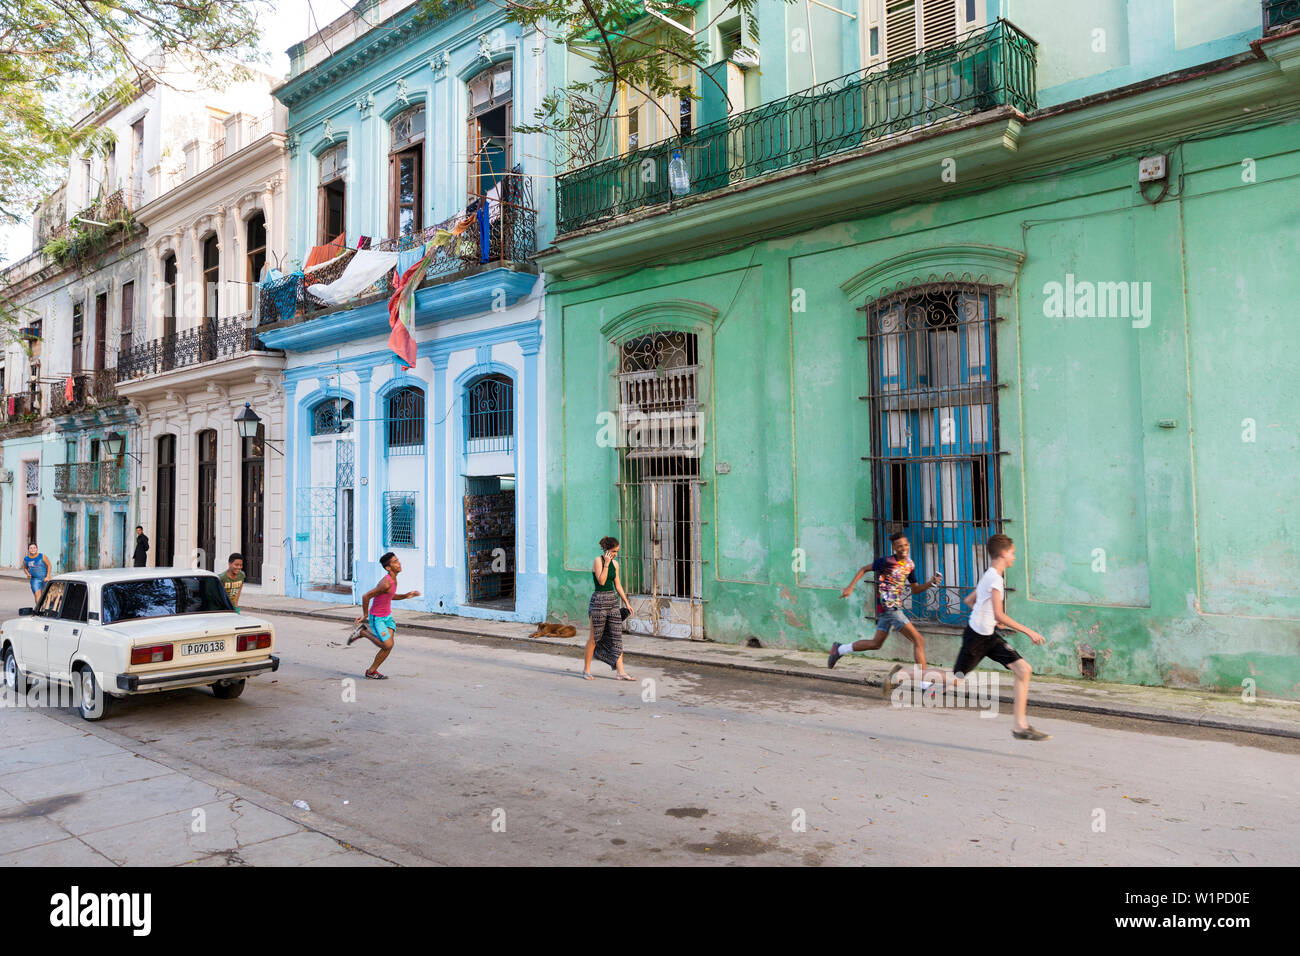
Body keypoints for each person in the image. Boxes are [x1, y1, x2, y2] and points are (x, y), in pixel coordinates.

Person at [958, 534, 1050, 740]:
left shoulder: (989, 575)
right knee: (954, 680)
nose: (1014, 557)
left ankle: (1019, 726)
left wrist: (990, 618)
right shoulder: (995, 579)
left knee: (1023, 669)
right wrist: (1029, 632)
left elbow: (969, 600)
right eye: (1012, 553)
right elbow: (999, 613)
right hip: (976, 639)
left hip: (988, 635)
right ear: (1003, 553)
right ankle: (901, 675)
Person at [829, 532, 946, 695]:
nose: (903, 548)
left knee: (876, 643)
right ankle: (925, 685)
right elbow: (864, 569)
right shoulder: (886, 561)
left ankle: (840, 649)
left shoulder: (910, 564)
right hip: (890, 607)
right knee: (919, 640)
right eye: (899, 546)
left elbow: (915, 589)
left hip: (890, 609)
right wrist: (850, 587)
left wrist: (930, 583)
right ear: (894, 548)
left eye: (905, 545)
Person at [349, 552, 420, 680]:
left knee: (388, 646)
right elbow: (366, 596)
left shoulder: (393, 579)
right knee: (387, 645)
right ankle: (362, 633)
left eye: (398, 560)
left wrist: (406, 595)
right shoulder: (385, 583)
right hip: (378, 618)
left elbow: (390, 596)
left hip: (387, 617)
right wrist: (365, 614)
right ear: (388, 568)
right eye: (395, 562)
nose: (399, 564)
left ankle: (371, 671)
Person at [582, 536, 634, 681]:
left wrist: (626, 602)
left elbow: (617, 585)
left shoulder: (615, 564)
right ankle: (586, 670)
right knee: (594, 637)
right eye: (613, 551)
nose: (616, 554)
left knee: (616, 636)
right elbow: (602, 581)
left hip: (612, 601)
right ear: (606, 550)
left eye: (617, 551)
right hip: (598, 601)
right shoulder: (598, 561)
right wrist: (606, 563)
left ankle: (621, 672)